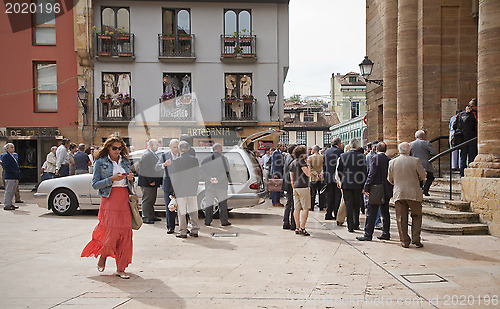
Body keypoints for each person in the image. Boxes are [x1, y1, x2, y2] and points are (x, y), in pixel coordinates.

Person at [81, 135, 135, 279]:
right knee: (110, 232)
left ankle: (121, 268)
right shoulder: (101, 162)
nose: (117, 151)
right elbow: (95, 184)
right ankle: (104, 255)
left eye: (120, 148)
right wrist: (111, 179)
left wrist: (131, 178)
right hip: (110, 198)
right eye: (114, 148)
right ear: (108, 148)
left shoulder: (125, 161)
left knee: (125, 233)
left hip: (124, 197)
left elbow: (131, 179)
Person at [388, 142, 426, 248]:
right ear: (409, 150)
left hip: (399, 192)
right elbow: (423, 175)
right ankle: (416, 238)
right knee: (417, 215)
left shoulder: (392, 162)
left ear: (399, 150)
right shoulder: (415, 161)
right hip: (413, 192)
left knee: (401, 218)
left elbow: (390, 179)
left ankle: (404, 241)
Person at [357, 142, 393, 241]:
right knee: (385, 212)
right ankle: (386, 233)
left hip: (376, 188)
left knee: (371, 212)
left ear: (376, 149)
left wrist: (366, 186)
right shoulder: (388, 160)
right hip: (386, 189)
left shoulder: (375, 158)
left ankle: (368, 234)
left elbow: (371, 173)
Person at [337, 138, 367, 233]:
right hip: (358, 183)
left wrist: (343, 179)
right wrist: (363, 184)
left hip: (346, 183)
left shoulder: (343, 155)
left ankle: (350, 226)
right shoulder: (362, 156)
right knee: (356, 204)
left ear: (350, 145)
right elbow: (364, 171)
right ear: (357, 146)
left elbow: (339, 170)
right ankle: (356, 223)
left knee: (348, 204)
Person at [171, 141, 200, 238]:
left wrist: (174, 191)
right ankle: (195, 230)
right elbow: (197, 175)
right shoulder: (194, 160)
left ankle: (183, 231)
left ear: (179, 149)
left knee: (182, 212)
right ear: (188, 149)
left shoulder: (177, 161)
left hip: (181, 190)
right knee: (193, 210)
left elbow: (176, 178)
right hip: (192, 189)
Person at [201, 143, 232, 227]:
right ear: (218, 149)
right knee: (222, 204)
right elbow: (226, 172)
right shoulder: (224, 159)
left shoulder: (205, 160)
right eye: (221, 149)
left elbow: (202, 171)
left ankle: (207, 221)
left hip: (209, 185)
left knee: (209, 203)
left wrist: (210, 179)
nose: (222, 150)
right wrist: (218, 179)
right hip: (221, 186)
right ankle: (224, 221)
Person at [156, 139, 181, 234]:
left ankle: (183, 227)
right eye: (174, 147)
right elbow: (156, 167)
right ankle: (170, 227)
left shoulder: (182, 156)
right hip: (169, 185)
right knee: (169, 207)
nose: (176, 149)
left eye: (177, 147)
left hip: (180, 185)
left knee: (182, 206)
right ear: (170, 146)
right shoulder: (164, 156)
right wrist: (164, 164)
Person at [138, 139, 163, 224]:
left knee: (152, 199)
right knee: (147, 200)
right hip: (148, 182)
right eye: (157, 145)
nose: (158, 147)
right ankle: (145, 217)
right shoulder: (147, 155)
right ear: (151, 145)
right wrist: (151, 180)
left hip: (152, 181)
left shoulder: (152, 154)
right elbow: (146, 169)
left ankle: (151, 215)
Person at [290, 145, 311, 236]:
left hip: (295, 187)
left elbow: (291, 178)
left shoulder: (293, 163)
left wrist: (293, 186)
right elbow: (308, 173)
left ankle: (297, 227)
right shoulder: (302, 162)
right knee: (306, 208)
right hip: (303, 186)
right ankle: (302, 227)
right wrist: (308, 165)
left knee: (297, 208)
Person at [453, 98, 478, 177]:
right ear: (475, 106)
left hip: (462, 138)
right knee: (471, 156)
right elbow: (477, 126)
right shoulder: (474, 115)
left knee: (462, 157)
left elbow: (454, 126)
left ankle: (462, 174)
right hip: (471, 138)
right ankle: (470, 174)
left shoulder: (459, 115)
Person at [410, 130, 437, 196]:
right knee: (430, 177)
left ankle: (419, 190)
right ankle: (425, 190)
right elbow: (433, 152)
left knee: (418, 178)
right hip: (426, 163)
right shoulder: (426, 143)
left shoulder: (411, 144)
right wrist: (429, 156)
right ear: (423, 136)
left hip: (415, 164)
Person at [323, 137, 343, 220]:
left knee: (330, 195)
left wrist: (325, 177)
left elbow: (324, 165)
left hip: (329, 176)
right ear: (338, 143)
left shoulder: (326, 151)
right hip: (337, 176)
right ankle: (336, 213)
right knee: (337, 196)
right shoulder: (339, 151)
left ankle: (328, 213)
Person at [1, 143, 21, 210]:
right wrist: (14, 172)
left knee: (13, 191)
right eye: (11, 147)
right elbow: (7, 166)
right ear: (7, 149)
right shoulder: (5, 156)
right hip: (10, 176)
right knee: (9, 191)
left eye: (13, 147)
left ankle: (10, 203)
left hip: (15, 176)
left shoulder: (13, 155)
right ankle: (7, 205)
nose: (13, 148)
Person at [282, 144, 297, 230]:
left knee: (289, 203)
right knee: (293, 204)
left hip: (287, 183)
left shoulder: (288, 157)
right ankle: (293, 223)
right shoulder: (293, 159)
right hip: (291, 183)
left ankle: (286, 222)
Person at [307, 145, 325, 211]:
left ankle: (311, 206)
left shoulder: (310, 158)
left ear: (314, 150)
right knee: (321, 193)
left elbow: (310, 168)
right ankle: (321, 206)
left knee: (312, 193)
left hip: (313, 178)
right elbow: (324, 167)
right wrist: (321, 173)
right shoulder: (323, 157)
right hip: (321, 178)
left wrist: (316, 173)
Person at [270, 143, 286, 207]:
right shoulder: (277, 153)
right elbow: (275, 164)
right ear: (279, 146)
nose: (284, 148)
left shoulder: (280, 153)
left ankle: (276, 201)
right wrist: (275, 174)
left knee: (277, 188)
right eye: (283, 146)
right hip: (277, 172)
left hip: (279, 172)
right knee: (276, 188)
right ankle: (276, 201)